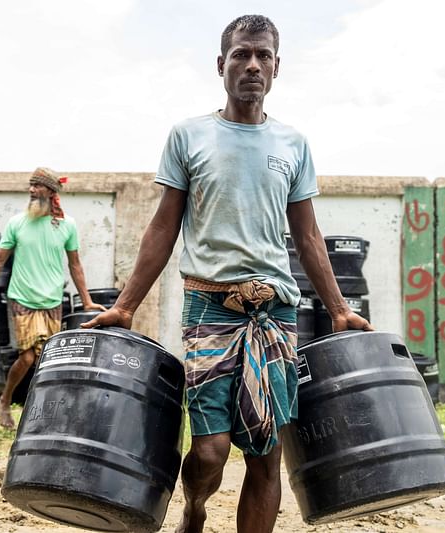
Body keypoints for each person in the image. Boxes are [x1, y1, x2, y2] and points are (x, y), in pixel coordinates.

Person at [84, 14, 373, 533]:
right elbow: (162, 227)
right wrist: (125, 305)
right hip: (209, 308)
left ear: (277, 67)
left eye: (263, 55)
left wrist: (339, 309)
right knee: (211, 451)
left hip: (276, 312)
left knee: (264, 454)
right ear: (222, 65)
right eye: (241, 54)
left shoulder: (293, 144)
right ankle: (194, 507)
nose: (252, 65)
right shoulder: (188, 135)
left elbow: (307, 237)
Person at [0, 167, 106, 429]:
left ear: (51, 192)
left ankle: (46, 415)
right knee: (28, 358)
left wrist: (87, 301)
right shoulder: (16, 223)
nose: (32, 190)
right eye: (31, 185)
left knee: (48, 360)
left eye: (38, 186)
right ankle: (5, 400)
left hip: (52, 301)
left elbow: (75, 265)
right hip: (22, 298)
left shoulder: (67, 225)